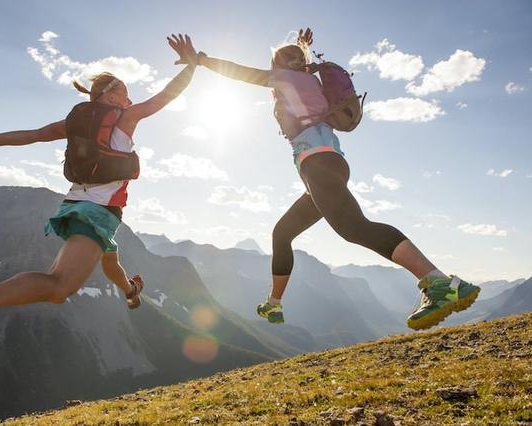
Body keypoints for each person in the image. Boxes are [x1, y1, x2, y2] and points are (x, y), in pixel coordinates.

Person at [170, 30, 480, 330]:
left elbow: (242, 73)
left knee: (355, 228)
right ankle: (274, 303)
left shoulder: (286, 78)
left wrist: (201, 59)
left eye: (278, 61)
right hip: (324, 166)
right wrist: (301, 49)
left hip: (318, 165)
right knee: (283, 233)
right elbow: (295, 69)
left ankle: (439, 282)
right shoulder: (307, 79)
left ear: (280, 66)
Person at [0, 34, 199, 358]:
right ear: (109, 95)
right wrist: (192, 65)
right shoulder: (124, 118)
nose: (129, 98)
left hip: (80, 207)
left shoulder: (76, 122)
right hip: (97, 212)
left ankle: (131, 292)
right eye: (124, 91)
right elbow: (166, 96)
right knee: (58, 287)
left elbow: (34, 135)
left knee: (111, 259)